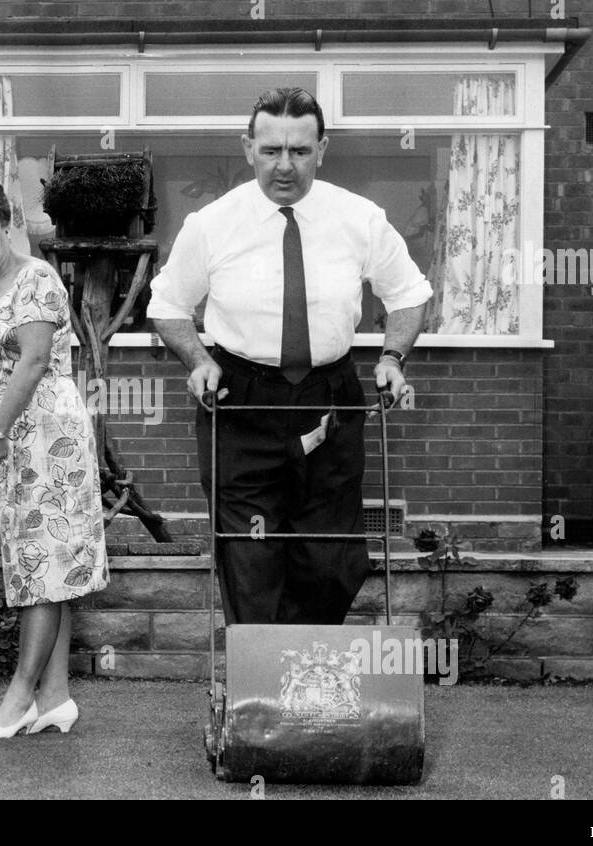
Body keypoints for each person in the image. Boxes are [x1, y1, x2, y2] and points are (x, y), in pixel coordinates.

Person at [147, 87, 430, 626]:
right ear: (248, 148)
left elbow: (409, 293)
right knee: (251, 557)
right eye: (271, 150)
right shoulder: (212, 224)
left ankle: (308, 673)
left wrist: (392, 357)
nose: (285, 165)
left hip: (330, 399)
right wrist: (198, 360)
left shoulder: (359, 218)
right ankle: (263, 693)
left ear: (321, 150)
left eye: (299, 151)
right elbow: (167, 303)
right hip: (242, 402)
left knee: (331, 557)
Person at [0, 172, 109, 739]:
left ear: (6, 223)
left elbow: (33, 361)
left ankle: (19, 699)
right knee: (38, 565)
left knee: (44, 564)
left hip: (49, 433)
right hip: (10, 437)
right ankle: (56, 697)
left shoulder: (36, 279)